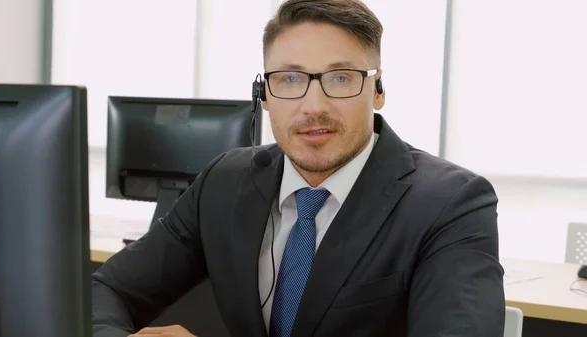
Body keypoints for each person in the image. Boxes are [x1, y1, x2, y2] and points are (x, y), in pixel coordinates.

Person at [92, 0, 506, 336]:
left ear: (377, 90)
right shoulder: (224, 181)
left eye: (341, 78)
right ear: (265, 95)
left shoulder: (450, 203)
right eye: (290, 79)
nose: (313, 106)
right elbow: (106, 290)